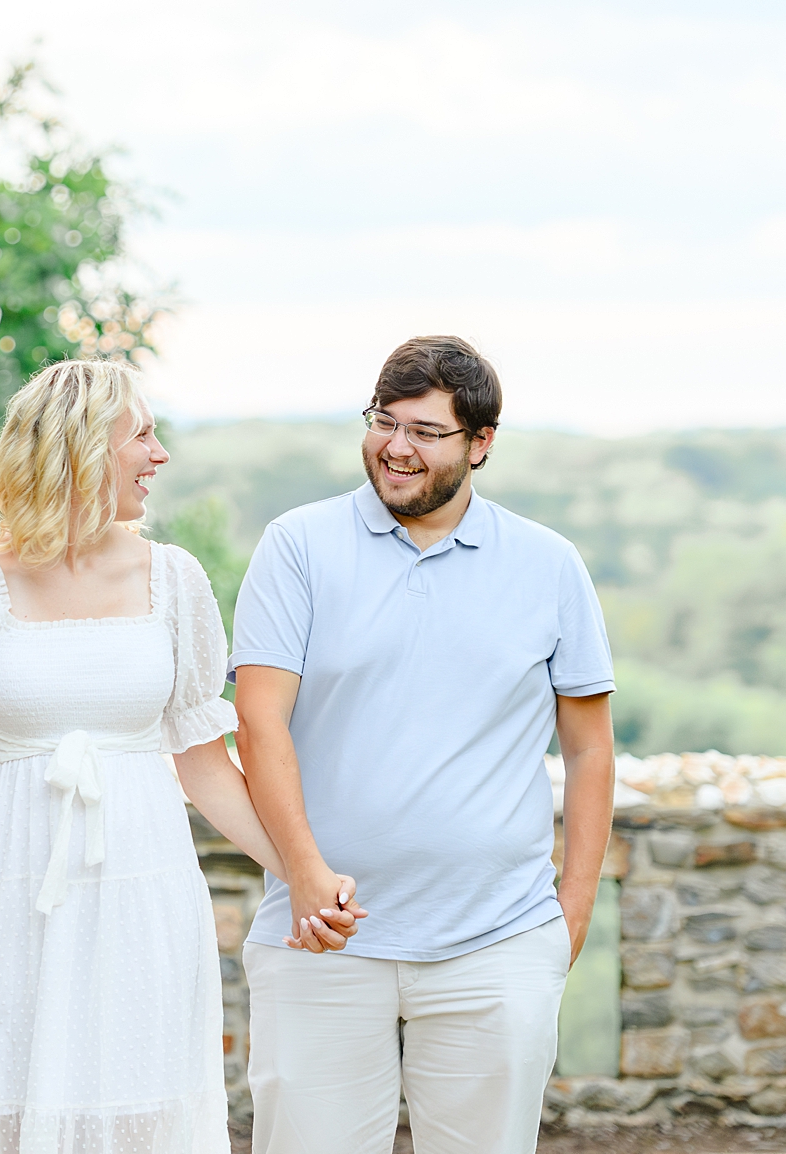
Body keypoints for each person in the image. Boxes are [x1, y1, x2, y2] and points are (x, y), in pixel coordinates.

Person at [0, 358, 365, 1154]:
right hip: (8, 905)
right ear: (80, 448)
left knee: (141, 1114)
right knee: (2, 1113)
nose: (159, 455)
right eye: (142, 434)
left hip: (144, 902)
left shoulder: (175, 581)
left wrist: (304, 872)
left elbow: (205, 763)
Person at [231, 335, 616, 1154]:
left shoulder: (550, 565)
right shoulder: (296, 545)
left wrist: (569, 914)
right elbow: (260, 725)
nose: (396, 448)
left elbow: (588, 751)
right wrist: (304, 876)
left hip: (499, 941)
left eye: (426, 431)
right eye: (383, 421)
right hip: (318, 939)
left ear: (480, 443)